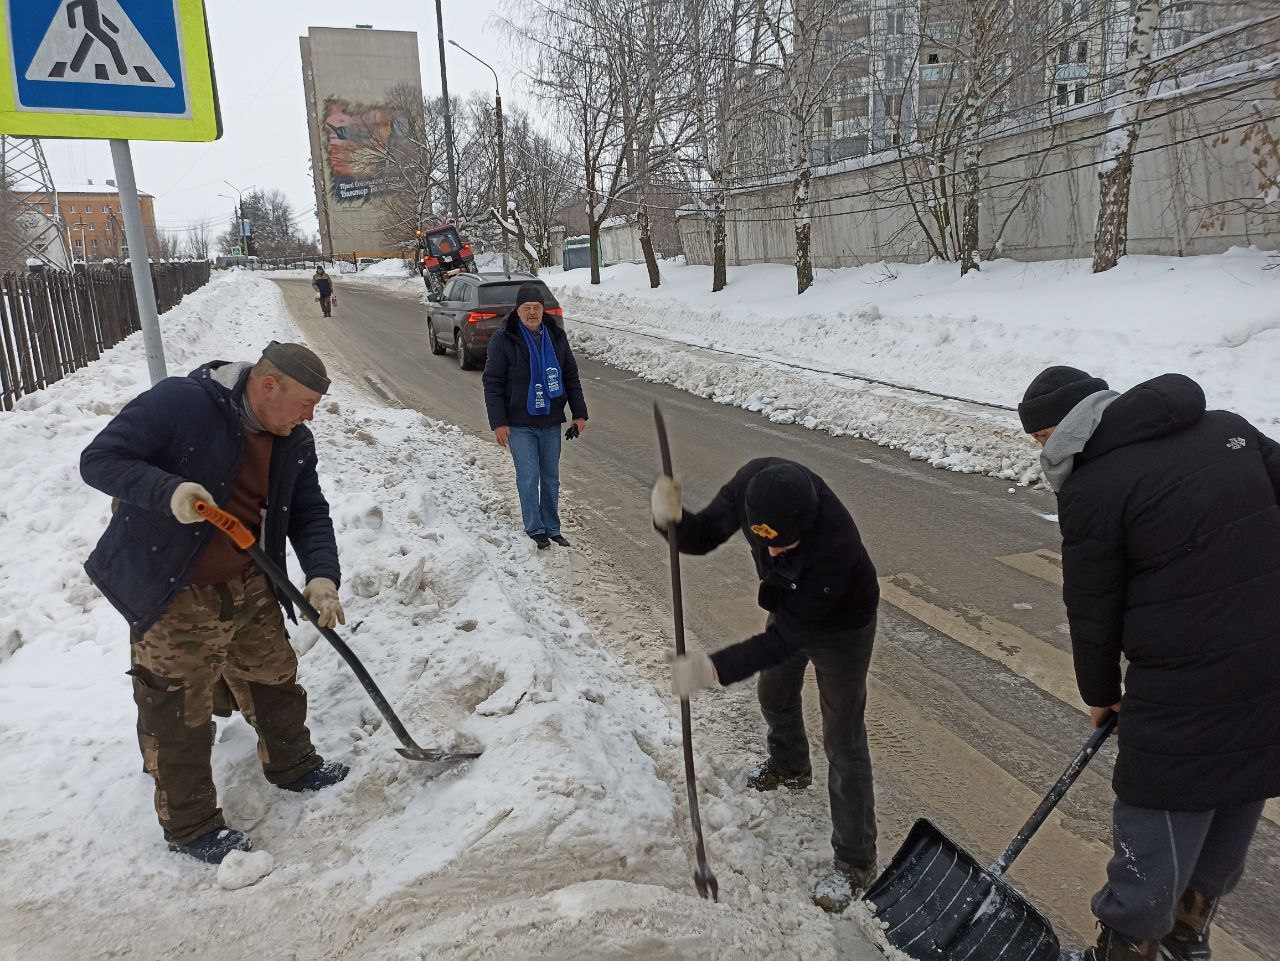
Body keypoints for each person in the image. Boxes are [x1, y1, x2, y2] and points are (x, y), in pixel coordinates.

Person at [1017, 367, 1280, 961]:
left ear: (1063, 428)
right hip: (1269, 667)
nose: (1040, 450)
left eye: (1040, 438)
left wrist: (1101, 693)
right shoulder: (1227, 429)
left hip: (1184, 683)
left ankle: (1129, 947)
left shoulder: (1094, 486)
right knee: (1241, 781)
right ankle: (1186, 943)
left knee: (1162, 804)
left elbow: (1092, 609)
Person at [80, 342, 350, 865]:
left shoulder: (293, 439)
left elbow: (310, 511)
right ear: (269, 385)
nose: (309, 416)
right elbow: (99, 460)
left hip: (248, 578)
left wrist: (321, 576)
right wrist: (169, 490)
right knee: (178, 707)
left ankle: (292, 765)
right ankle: (192, 825)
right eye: (305, 403)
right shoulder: (181, 403)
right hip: (173, 584)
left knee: (274, 674)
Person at [652, 458, 881, 913]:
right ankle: (791, 766)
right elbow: (703, 535)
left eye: (785, 546)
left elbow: (782, 641)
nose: (771, 554)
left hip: (842, 626)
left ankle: (855, 862)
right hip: (790, 604)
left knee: (843, 739)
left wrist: (710, 668)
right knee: (774, 693)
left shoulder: (834, 544)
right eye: (764, 543)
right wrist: (670, 517)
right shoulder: (750, 486)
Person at [482, 284, 588, 549]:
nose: (532, 313)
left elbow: (570, 377)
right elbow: (492, 382)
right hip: (519, 423)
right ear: (517, 311)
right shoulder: (504, 339)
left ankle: (552, 527)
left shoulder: (556, 337)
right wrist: (499, 423)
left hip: (551, 420)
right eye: (526, 308)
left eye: (536, 308)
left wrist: (579, 414)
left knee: (551, 478)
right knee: (529, 477)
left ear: (543, 311)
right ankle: (535, 528)